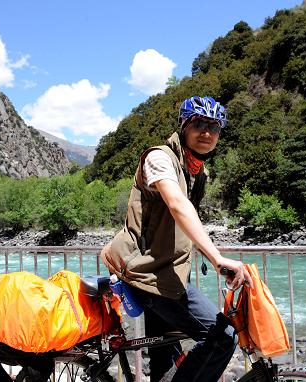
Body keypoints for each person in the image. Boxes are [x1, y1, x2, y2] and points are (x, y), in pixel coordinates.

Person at [102, 96, 253, 382]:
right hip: (144, 271)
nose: (207, 133)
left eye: (214, 127)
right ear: (184, 126)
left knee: (164, 362)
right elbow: (177, 204)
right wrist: (217, 258)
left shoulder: (197, 172)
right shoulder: (160, 158)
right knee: (222, 336)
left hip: (165, 270)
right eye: (198, 124)